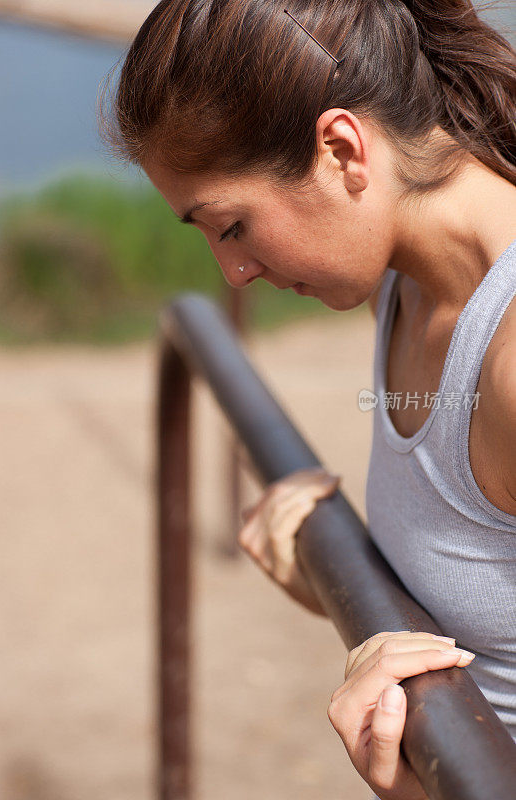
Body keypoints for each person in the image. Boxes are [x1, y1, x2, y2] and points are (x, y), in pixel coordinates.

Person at [98, 1, 516, 797]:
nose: (233, 273)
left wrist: (412, 776)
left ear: (339, 149)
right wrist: (339, 585)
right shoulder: (402, 284)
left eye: (229, 226)